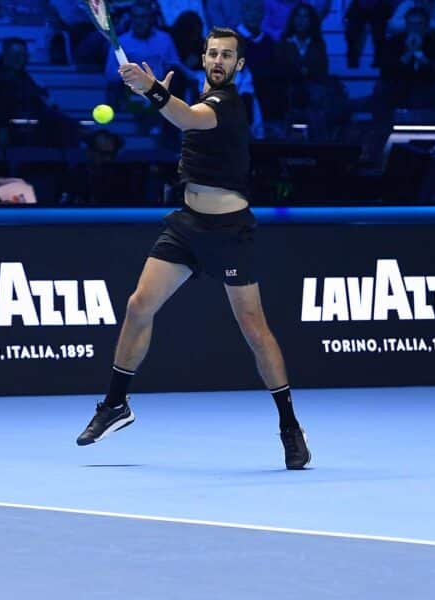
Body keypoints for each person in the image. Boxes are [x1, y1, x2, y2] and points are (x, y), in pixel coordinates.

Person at [75, 27, 311, 471]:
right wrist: (157, 95)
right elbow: (183, 112)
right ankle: (114, 404)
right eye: (213, 53)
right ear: (203, 58)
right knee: (139, 304)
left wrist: (151, 92)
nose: (219, 61)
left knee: (255, 332)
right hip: (187, 225)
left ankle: (289, 427)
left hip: (230, 231)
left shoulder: (229, 104)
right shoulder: (199, 99)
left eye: (227, 56)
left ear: (239, 66)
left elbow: (188, 118)